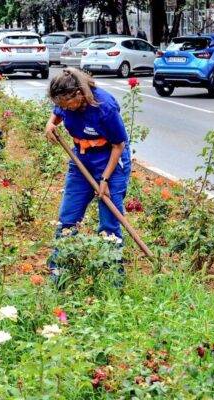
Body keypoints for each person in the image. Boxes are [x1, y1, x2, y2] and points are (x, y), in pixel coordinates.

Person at [45, 68, 131, 276]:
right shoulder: (65, 103)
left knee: (109, 223)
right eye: (60, 105)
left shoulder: (104, 107)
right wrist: (50, 125)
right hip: (81, 161)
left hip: (110, 162)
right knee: (68, 217)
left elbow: (119, 145)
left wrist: (105, 179)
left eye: (66, 104)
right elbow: (57, 115)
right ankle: (61, 272)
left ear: (78, 94)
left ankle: (111, 275)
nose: (64, 109)